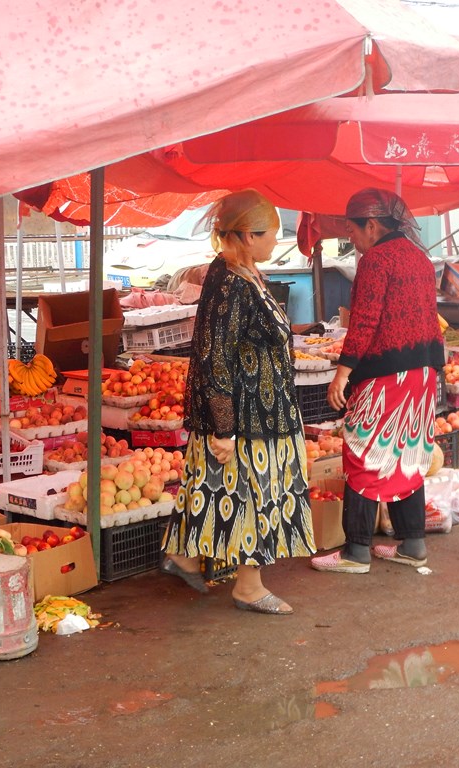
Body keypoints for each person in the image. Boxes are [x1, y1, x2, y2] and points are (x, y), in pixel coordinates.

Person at [161, 189, 315, 615]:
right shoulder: (229, 281)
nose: (276, 242)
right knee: (257, 496)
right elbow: (214, 356)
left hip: (262, 408)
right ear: (248, 235)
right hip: (249, 418)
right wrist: (224, 428)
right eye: (272, 234)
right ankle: (248, 586)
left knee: (212, 488)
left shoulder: (243, 272)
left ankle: (185, 556)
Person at [309, 188, 445, 575]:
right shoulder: (419, 257)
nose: (350, 239)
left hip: (387, 374)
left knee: (364, 451)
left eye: (352, 230)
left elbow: (364, 321)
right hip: (422, 372)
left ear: (371, 224)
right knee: (407, 451)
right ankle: (412, 544)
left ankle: (356, 551)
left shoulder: (376, 260)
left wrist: (343, 372)